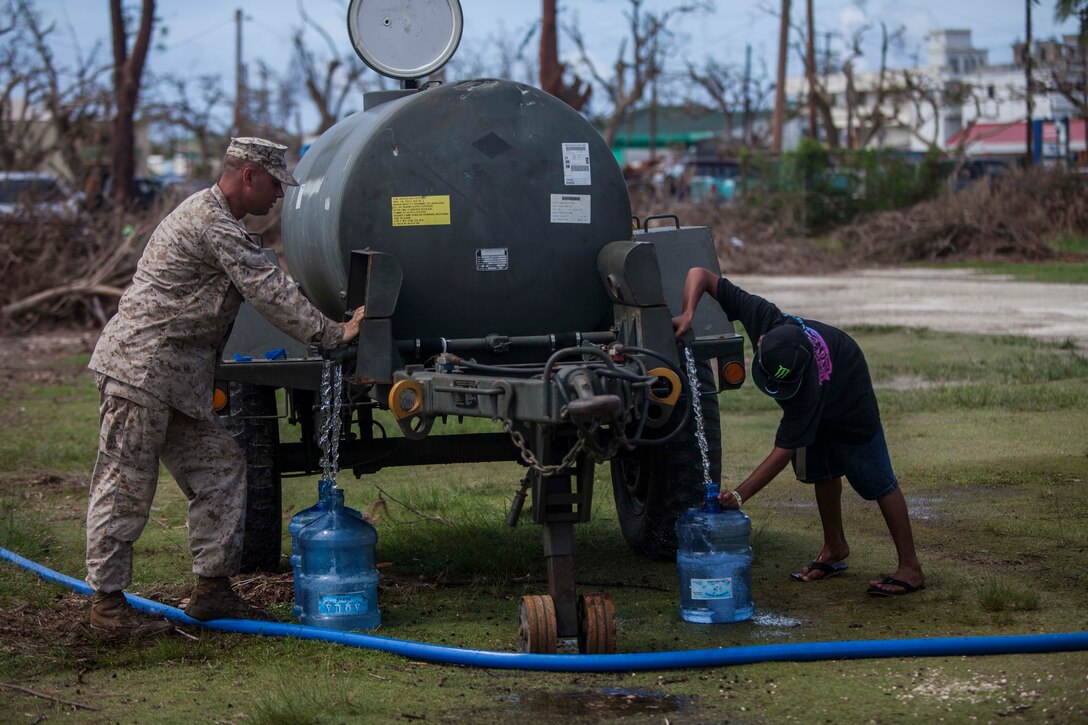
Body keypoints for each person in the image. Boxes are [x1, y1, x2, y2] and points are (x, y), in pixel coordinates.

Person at [85, 138, 366, 637]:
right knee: (125, 484)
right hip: (141, 374)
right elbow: (266, 287)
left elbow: (265, 287)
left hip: (175, 382)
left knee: (221, 468)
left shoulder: (223, 223)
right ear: (250, 175)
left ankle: (212, 592)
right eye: (276, 183)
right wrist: (334, 334)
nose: (280, 195)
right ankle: (107, 608)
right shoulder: (210, 221)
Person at [672, 268, 924, 597]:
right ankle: (835, 546)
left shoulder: (807, 393)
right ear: (761, 342)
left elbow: (784, 449)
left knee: (877, 478)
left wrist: (739, 495)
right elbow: (699, 274)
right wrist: (689, 312)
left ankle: (911, 568)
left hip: (849, 390)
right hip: (827, 372)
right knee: (820, 469)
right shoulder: (762, 316)